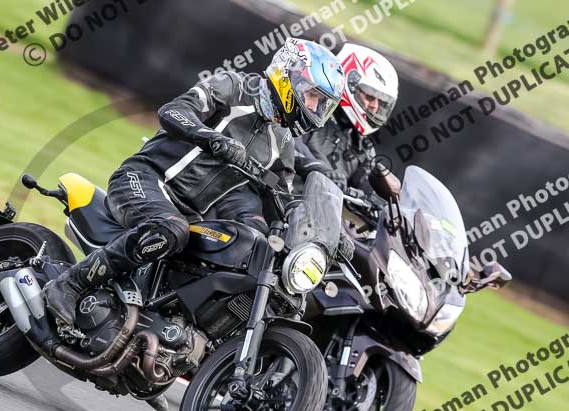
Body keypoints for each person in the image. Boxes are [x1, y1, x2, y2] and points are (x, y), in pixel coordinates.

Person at [44, 38, 345, 331]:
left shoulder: (283, 144)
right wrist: (211, 138)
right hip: (144, 178)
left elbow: (280, 196)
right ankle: (71, 283)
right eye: (313, 96)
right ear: (289, 76)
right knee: (170, 229)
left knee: (242, 253)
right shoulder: (235, 87)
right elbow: (173, 111)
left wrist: (324, 231)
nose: (315, 107)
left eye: (322, 104)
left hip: (191, 215)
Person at [296, 43, 398, 199]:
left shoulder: (362, 147)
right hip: (282, 198)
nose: (375, 106)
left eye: (382, 102)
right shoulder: (312, 109)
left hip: (319, 210)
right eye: (370, 96)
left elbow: (367, 187)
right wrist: (318, 170)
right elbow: (287, 141)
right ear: (350, 83)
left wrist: (383, 202)